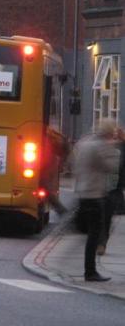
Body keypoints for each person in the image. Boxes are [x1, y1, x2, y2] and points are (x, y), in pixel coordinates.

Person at [73, 119, 121, 282]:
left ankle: (89, 270)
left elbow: (73, 163)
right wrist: (114, 149)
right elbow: (111, 166)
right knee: (94, 234)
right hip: (94, 194)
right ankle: (90, 271)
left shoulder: (85, 142)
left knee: (90, 233)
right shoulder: (100, 146)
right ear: (109, 133)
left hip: (83, 192)